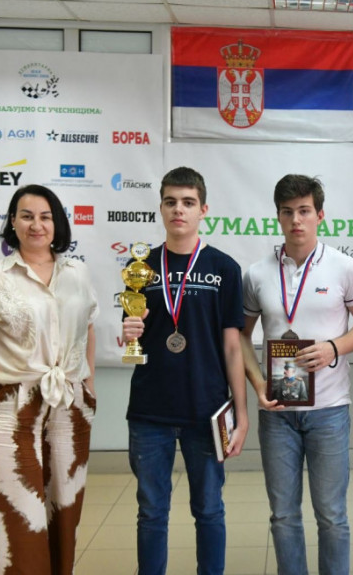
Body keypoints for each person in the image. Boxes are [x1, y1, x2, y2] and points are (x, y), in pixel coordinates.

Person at [0, 184, 98, 575]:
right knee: (15, 521)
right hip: (8, 408)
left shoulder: (78, 273)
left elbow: (88, 329)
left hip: (69, 407)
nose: (37, 225)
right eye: (27, 216)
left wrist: (88, 387)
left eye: (46, 216)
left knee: (63, 514)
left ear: (58, 223)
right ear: (13, 223)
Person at [241, 174, 353, 575]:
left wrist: (334, 347)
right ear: (278, 216)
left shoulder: (344, 268)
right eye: (287, 212)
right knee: (283, 516)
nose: (296, 220)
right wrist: (258, 384)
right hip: (277, 413)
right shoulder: (256, 274)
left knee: (332, 516)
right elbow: (241, 336)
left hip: (329, 411)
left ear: (320, 215)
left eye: (304, 211)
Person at [122, 166, 248, 575]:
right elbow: (132, 337)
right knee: (151, 512)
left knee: (209, 509)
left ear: (203, 209)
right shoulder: (140, 267)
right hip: (150, 411)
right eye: (171, 202)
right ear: (160, 208)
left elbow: (233, 347)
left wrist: (242, 414)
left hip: (206, 410)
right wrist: (127, 332)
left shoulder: (224, 268)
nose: (179, 209)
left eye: (188, 202)